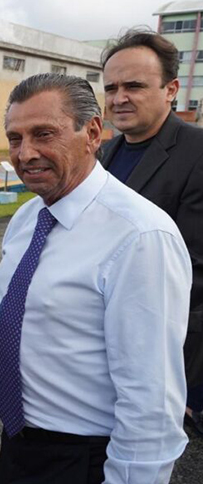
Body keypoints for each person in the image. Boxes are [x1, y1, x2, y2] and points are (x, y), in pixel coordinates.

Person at [0, 73, 191, 483]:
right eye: (15, 138)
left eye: (43, 134)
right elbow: (12, 327)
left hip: (85, 458)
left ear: (91, 133)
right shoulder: (27, 219)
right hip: (20, 443)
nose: (25, 154)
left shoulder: (140, 236)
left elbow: (151, 402)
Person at [100, 29, 203, 436]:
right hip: (102, 339)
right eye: (111, 88)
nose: (119, 98)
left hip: (164, 344)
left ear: (171, 90)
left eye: (135, 86)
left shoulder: (196, 152)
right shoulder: (106, 152)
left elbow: (195, 267)